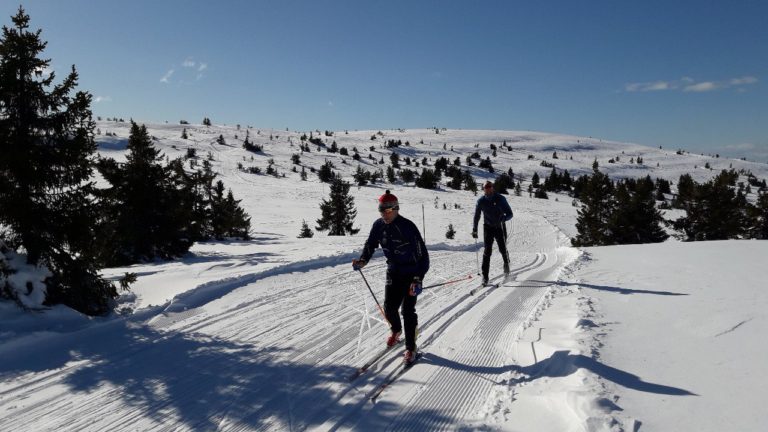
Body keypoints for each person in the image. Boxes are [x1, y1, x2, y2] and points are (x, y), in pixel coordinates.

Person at [353, 190, 429, 365]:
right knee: (389, 308)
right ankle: (396, 330)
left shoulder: (408, 227)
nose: (383, 214)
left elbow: (423, 256)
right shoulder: (378, 225)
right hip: (393, 271)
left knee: (408, 311)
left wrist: (418, 278)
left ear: (396, 209)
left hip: (411, 274)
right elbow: (371, 244)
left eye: (387, 211)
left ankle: (411, 348)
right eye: (381, 210)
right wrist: (363, 260)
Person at [472, 181, 513, 285]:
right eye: (486, 187)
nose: (488, 189)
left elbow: (510, 213)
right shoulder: (481, 201)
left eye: (489, 187)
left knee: (503, 249)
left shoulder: (500, 198)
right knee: (487, 251)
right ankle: (485, 277)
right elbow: (477, 216)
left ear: (492, 188)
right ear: (483, 189)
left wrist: (504, 218)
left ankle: (507, 269)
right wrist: (474, 229)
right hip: (488, 227)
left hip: (499, 226)